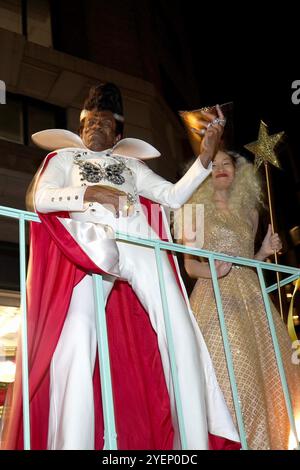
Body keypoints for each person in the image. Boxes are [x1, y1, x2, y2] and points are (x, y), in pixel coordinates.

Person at [1, 83, 240, 450]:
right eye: (90, 121)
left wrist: (205, 156)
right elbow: (40, 197)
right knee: (77, 341)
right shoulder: (63, 159)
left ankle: (193, 446)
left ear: (119, 133)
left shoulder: (132, 165)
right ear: (80, 128)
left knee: (180, 334)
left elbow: (173, 197)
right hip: (89, 248)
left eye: (105, 122)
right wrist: (88, 193)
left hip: (139, 242)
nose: (96, 127)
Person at [182, 149, 300, 449]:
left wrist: (262, 251)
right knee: (231, 378)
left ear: (238, 171)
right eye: (214, 165)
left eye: (227, 164)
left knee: (268, 380)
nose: (220, 169)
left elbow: (249, 261)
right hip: (215, 296)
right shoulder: (192, 209)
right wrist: (213, 271)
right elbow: (189, 265)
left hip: (252, 298)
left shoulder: (251, 210)